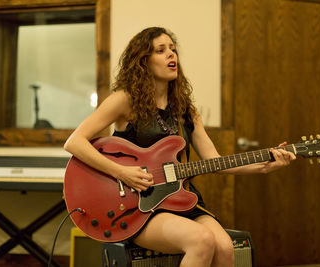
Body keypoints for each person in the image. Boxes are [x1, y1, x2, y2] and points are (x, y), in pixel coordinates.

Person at [64, 27, 296, 267]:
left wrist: (264, 166)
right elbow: (75, 142)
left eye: (173, 50)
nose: (171, 55)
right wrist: (121, 172)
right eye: (161, 50)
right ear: (143, 61)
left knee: (226, 248)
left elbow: (215, 161)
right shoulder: (125, 100)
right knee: (201, 241)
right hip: (138, 208)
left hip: (182, 199)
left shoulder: (186, 110)